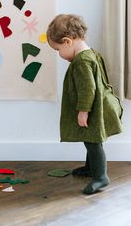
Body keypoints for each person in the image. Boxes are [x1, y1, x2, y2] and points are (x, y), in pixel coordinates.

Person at [46, 14, 123, 194]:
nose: (59, 55)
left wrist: (83, 111)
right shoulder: (91, 53)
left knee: (93, 143)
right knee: (91, 139)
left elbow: (88, 88)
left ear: (67, 41)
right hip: (101, 104)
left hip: (94, 108)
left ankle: (101, 177)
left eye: (58, 50)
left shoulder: (81, 61)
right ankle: (91, 169)